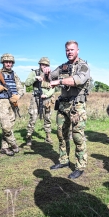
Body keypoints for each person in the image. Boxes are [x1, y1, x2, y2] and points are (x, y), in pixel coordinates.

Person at [49, 40, 90, 179]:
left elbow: (77, 80)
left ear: (77, 50)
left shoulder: (83, 66)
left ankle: (80, 166)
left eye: (72, 50)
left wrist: (59, 81)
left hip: (76, 107)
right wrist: (46, 73)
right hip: (62, 105)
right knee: (61, 134)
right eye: (67, 50)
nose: (69, 52)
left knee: (78, 137)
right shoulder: (63, 67)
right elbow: (50, 77)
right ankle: (63, 160)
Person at [24, 57, 55, 146]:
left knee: (47, 118)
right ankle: (29, 137)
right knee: (33, 118)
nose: (44, 66)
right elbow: (27, 83)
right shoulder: (34, 73)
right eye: (42, 64)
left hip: (47, 99)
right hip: (35, 99)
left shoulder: (51, 75)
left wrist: (47, 95)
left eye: (46, 65)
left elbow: (53, 88)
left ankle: (48, 136)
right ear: (40, 64)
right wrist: (35, 78)